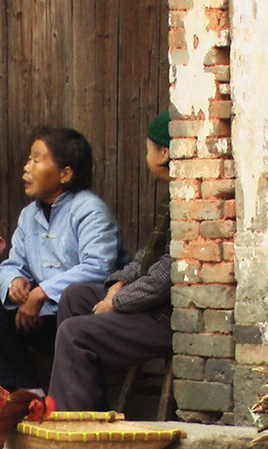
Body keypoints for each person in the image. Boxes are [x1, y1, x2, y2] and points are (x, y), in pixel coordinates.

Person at [0, 128, 125, 394]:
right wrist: (14, 283)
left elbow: (99, 268)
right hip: (39, 318)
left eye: (36, 159)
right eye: (29, 159)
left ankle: (77, 401)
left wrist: (42, 293)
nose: (26, 168)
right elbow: (11, 263)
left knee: (75, 298)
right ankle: (25, 392)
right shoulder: (29, 214)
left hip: (80, 318)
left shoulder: (90, 210)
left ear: (65, 174)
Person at [48, 111, 174, 411]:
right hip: (146, 306)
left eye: (148, 148)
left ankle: (69, 423)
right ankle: (85, 407)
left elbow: (169, 273)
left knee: (74, 333)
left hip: (167, 319)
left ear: (164, 152)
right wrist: (117, 284)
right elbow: (147, 257)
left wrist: (118, 301)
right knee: (75, 296)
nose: (147, 155)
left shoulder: (190, 201)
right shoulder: (173, 197)